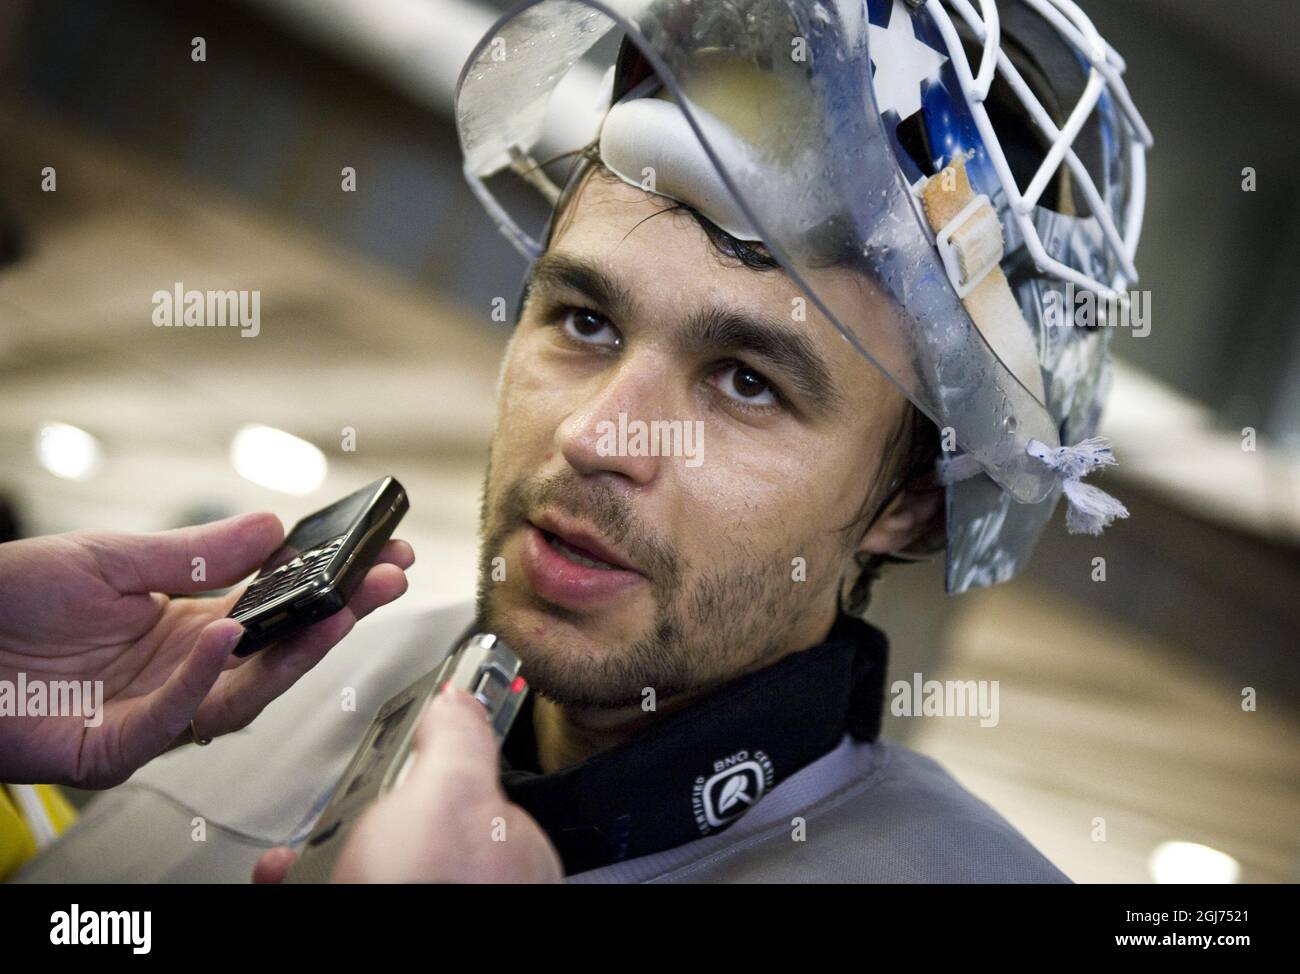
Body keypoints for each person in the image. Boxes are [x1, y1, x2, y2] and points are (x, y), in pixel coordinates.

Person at [15, 0, 1150, 883]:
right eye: (586, 320)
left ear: (910, 499)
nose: (598, 434)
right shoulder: (241, 695)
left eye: (747, 382)